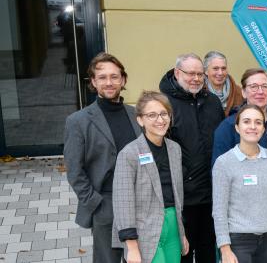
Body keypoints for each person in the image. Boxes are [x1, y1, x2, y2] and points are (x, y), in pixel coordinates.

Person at [65, 52, 140, 263]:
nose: (109, 82)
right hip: (105, 204)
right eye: (103, 77)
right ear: (94, 82)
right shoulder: (78, 121)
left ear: (123, 80)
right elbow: (74, 171)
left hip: (140, 201)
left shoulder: (137, 115)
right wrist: (95, 203)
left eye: (114, 77)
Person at [211, 68, 267, 246]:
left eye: (264, 86)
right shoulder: (228, 128)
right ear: (243, 91)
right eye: (253, 86)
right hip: (242, 230)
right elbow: (219, 182)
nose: (260, 91)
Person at [159, 53, 224, 263]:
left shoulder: (212, 102)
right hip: (182, 198)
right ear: (177, 73)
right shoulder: (164, 105)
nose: (196, 78)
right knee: (184, 252)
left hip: (212, 195)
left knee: (208, 252)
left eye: (200, 74)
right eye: (191, 74)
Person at [113, 91, 189, 263]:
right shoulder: (129, 154)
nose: (160, 120)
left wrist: (181, 233)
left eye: (164, 114)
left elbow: (177, 195)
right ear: (140, 120)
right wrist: (131, 247)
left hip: (172, 229)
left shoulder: (174, 149)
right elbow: (122, 203)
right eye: (152, 115)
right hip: (145, 230)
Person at [213, 104, 267, 263]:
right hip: (238, 243)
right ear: (237, 127)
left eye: (258, 122)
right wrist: (225, 248)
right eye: (247, 121)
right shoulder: (224, 162)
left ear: (263, 128)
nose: (252, 127)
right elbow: (219, 211)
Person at [203, 51, 244, 115]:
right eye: (215, 68)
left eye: (223, 68)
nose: (220, 73)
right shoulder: (199, 92)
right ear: (206, 71)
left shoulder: (239, 92)